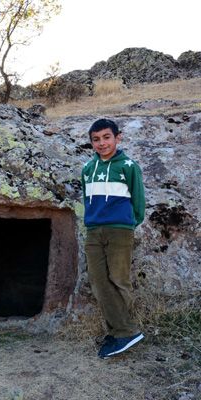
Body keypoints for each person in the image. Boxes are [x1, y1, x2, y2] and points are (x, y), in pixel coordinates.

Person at [81, 118, 146, 359]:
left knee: (119, 279)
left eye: (106, 137)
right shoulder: (88, 169)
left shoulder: (129, 166)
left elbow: (138, 203)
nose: (102, 143)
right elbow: (86, 199)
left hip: (120, 230)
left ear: (118, 137)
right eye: (96, 139)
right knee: (98, 281)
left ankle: (123, 330)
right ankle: (121, 331)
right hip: (93, 231)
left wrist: (128, 225)